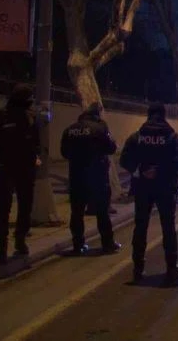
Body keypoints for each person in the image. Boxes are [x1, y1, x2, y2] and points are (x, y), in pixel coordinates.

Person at [120, 103, 178, 284]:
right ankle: (171, 268)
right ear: (164, 116)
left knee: (140, 227)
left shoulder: (137, 137)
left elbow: (124, 160)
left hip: (142, 186)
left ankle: (137, 268)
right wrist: (160, 171)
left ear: (148, 116)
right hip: (165, 187)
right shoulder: (173, 137)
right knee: (168, 227)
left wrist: (141, 170)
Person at [0, 84, 40, 264]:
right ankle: (1, 249)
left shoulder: (31, 118)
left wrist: (36, 158)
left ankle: (20, 240)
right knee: (3, 209)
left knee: (25, 207)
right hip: (4, 169)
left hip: (26, 169)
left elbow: (36, 142)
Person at [60, 103, 121, 255]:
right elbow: (111, 148)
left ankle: (78, 245)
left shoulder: (70, 129)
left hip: (77, 177)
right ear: (97, 115)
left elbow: (64, 152)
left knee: (77, 213)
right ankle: (108, 244)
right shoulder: (100, 128)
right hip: (97, 177)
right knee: (102, 212)